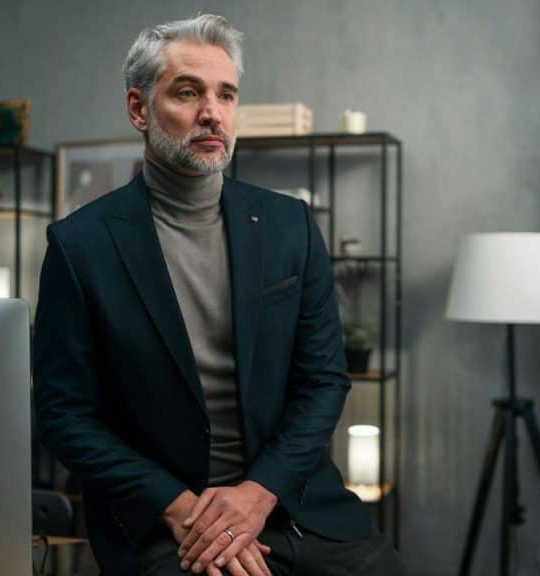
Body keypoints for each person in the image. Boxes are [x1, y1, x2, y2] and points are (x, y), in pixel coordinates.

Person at [33, 14, 404, 576]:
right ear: (139, 109)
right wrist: (180, 507)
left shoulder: (290, 226)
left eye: (226, 94)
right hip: (169, 522)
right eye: (188, 92)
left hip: (293, 504)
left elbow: (323, 380)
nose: (212, 111)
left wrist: (258, 493)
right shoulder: (79, 245)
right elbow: (65, 414)